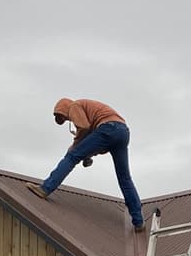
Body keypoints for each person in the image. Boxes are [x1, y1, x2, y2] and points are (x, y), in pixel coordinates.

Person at [29, 98, 144, 230]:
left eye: (64, 117)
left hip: (108, 128)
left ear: (63, 108)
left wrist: (75, 145)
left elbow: (84, 127)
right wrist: (87, 155)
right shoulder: (93, 111)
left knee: (71, 157)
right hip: (122, 131)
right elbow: (99, 142)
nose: (68, 120)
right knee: (125, 178)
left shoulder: (74, 106)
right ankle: (138, 221)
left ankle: (45, 188)